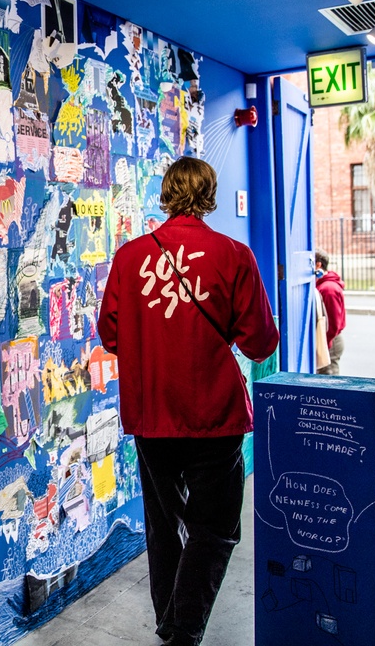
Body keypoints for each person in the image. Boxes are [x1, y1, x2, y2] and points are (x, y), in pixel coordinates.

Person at [98, 157, 279, 646]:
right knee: (216, 527)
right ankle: (183, 632)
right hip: (214, 415)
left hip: (151, 414)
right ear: (210, 193)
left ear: (166, 193)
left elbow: (110, 334)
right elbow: (262, 342)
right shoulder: (234, 255)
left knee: (162, 524)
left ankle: (170, 621)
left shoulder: (130, 257)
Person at [314, 249, 346, 375]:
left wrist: (324, 346)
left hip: (330, 342)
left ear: (318, 265)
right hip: (328, 340)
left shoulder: (328, 289)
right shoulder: (324, 285)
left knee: (328, 382)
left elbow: (332, 325)